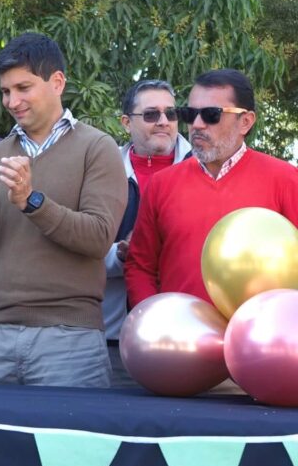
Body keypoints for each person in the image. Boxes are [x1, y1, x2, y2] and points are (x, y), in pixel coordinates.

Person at [0, 32, 127, 387]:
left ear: (57, 82)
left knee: (69, 444)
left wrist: (32, 201)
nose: (12, 101)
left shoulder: (98, 149)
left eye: (23, 87)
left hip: (70, 340)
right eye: (5, 91)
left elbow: (98, 238)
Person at [125, 69, 298, 307]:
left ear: (245, 121)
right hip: (179, 340)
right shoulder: (162, 184)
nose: (197, 125)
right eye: (190, 114)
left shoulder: (286, 179)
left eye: (211, 115)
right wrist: (155, 323)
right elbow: (139, 266)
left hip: (261, 340)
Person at [103, 80, 191, 386]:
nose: (164, 122)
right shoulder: (100, 168)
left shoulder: (205, 167)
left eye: (172, 113)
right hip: (113, 339)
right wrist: (119, 255)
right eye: (151, 114)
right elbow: (72, 248)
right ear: (126, 122)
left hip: (189, 336)